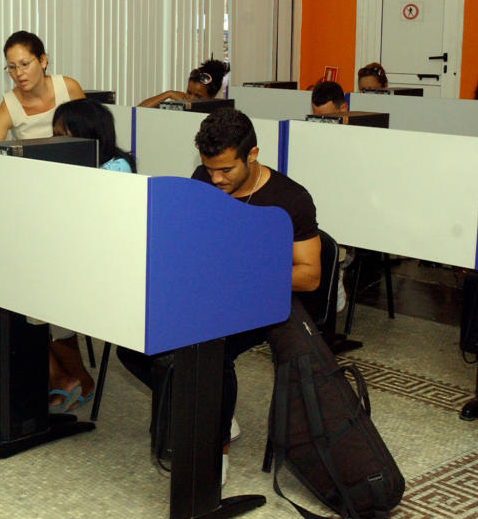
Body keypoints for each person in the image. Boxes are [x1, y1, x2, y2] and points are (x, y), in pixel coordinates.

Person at [117, 108, 320, 483]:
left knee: (214, 347)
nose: (216, 178)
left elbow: (309, 276)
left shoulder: (290, 199)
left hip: (264, 302)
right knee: (133, 344)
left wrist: (241, 275)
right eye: (209, 169)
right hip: (207, 291)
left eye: (226, 169)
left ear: (253, 155)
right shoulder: (203, 180)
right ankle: (213, 409)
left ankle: (216, 445)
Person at [43, 99, 137, 411]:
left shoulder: (116, 167)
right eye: (55, 135)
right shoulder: (64, 163)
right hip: (70, 257)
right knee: (17, 296)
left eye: (64, 136)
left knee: (45, 301)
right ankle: (60, 378)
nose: (57, 143)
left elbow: (100, 224)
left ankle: (81, 378)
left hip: (106, 266)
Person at [0, 30, 85, 141]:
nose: (18, 73)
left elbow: (90, 135)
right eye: (12, 67)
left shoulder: (68, 88)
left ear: (42, 61)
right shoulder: (9, 105)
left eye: (24, 64)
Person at [138, 59, 226, 108]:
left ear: (213, 96)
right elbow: (138, 112)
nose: (190, 98)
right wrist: (168, 94)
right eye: (189, 92)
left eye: (198, 96)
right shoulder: (181, 107)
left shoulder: (220, 119)